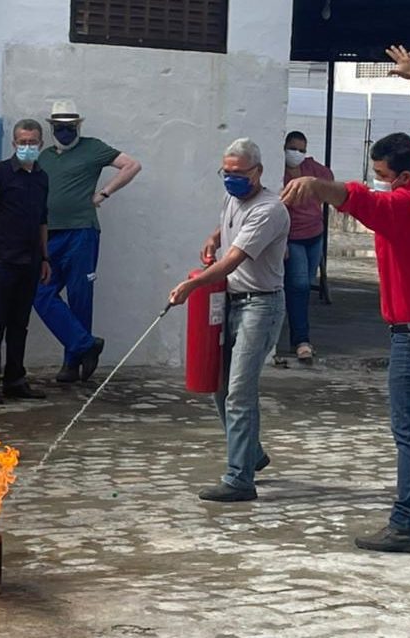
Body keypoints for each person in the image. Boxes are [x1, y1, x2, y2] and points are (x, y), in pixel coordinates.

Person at [282, 46, 410, 553]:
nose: (379, 181)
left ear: (402, 176)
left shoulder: (402, 206)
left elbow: (353, 198)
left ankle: (407, 523)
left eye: (384, 175)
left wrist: (314, 184)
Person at [169, 138, 289, 503]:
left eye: (239, 173)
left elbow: (233, 259)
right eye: (227, 172)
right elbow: (227, 230)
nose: (232, 179)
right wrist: (212, 236)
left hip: (260, 306)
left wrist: (192, 285)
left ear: (258, 172)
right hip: (230, 300)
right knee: (219, 386)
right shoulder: (233, 198)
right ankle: (251, 454)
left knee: (239, 390)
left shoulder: (269, 209)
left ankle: (240, 479)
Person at [34, 99, 142, 383]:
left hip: (82, 232)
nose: (65, 132)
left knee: (81, 296)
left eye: (70, 127)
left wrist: (104, 193)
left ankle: (72, 364)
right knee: (41, 292)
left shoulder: (93, 148)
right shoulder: (44, 157)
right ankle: (85, 345)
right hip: (50, 234)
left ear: (78, 126)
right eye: (60, 128)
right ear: (52, 128)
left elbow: (131, 165)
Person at [0, 119, 52, 405]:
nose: (27, 147)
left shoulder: (42, 178)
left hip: (31, 260)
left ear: (41, 145)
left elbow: (42, 219)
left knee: (21, 322)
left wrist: (45, 257)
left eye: (32, 142)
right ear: (14, 144)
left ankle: (15, 378)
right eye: (22, 142)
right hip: (3, 258)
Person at [282, 131, 334, 362]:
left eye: (302, 150)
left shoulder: (311, 169)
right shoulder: (277, 172)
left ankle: (300, 336)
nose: (297, 153)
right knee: (300, 286)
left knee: (301, 287)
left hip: (314, 236)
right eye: (293, 148)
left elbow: (330, 180)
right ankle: (301, 340)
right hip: (291, 238)